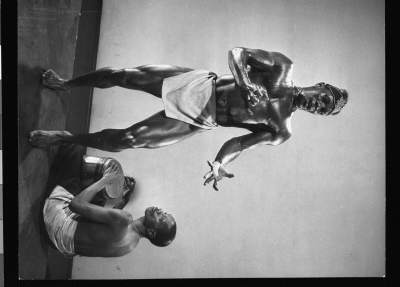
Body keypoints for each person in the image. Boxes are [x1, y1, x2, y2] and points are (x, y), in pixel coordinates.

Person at [29, 47, 349, 191]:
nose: (319, 105)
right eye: (325, 99)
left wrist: (221, 163)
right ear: (320, 86)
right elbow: (238, 54)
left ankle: (65, 138)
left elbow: (238, 141)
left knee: (129, 140)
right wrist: (243, 82)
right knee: (124, 76)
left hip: (198, 118)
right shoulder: (283, 67)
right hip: (198, 84)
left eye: (323, 110)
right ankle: (65, 83)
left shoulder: (281, 131)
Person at [41, 144, 177, 258]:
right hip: (57, 245)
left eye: (161, 218)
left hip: (54, 223)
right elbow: (105, 226)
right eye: (164, 212)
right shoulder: (130, 246)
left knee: (74, 148)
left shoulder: (126, 220)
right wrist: (123, 200)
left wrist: (105, 179)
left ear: (152, 232)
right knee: (98, 199)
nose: (160, 211)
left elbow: (75, 205)